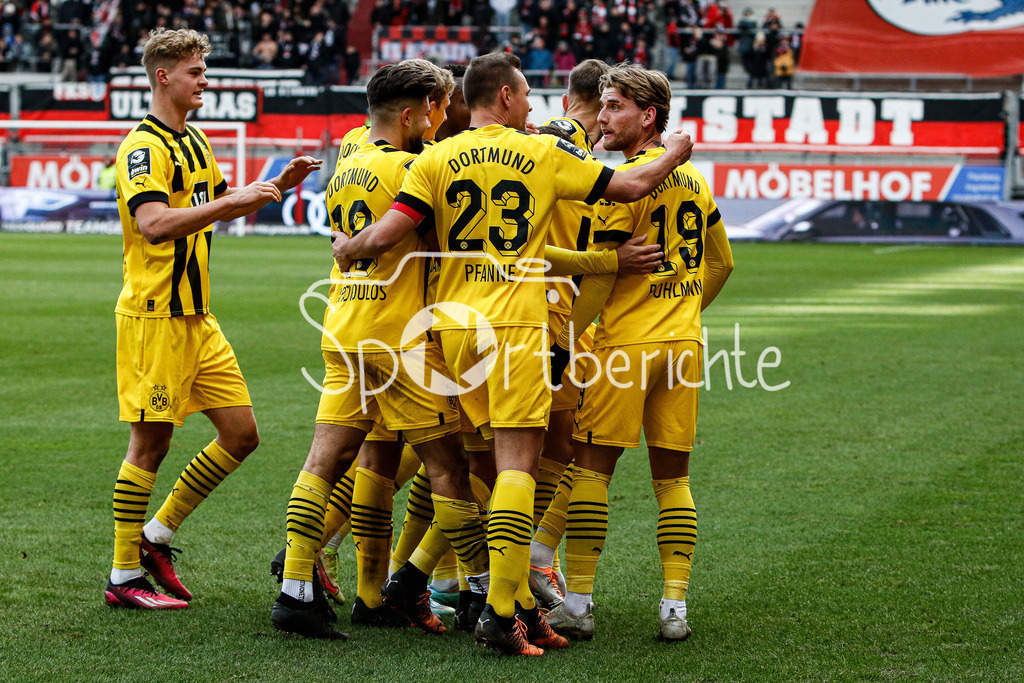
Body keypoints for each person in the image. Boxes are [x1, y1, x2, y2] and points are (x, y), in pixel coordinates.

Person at [331, 51, 694, 655]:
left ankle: (475, 591)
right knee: (518, 466)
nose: (531, 106)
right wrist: (677, 148)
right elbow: (633, 182)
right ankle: (501, 612)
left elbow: (389, 232)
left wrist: (348, 248)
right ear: (504, 96)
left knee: (473, 462)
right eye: (525, 95)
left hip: (449, 327)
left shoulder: (433, 159)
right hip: (518, 321)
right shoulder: (542, 152)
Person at [270, 60, 490, 641]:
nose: (442, 118)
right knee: (450, 468)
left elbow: (347, 235)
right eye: (438, 106)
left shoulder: (349, 156)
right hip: (401, 339)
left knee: (326, 461)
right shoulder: (414, 169)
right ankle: (485, 593)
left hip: (344, 325)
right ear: (414, 108)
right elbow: (453, 241)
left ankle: (295, 590)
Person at [105, 27, 321, 611]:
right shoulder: (143, 148)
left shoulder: (195, 142)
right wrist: (238, 200)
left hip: (198, 318)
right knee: (150, 443)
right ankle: (123, 577)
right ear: (163, 77)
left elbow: (216, 207)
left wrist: (277, 186)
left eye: (204, 70)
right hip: (155, 316)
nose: (205, 80)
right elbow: (154, 224)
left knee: (242, 434)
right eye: (196, 72)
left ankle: (157, 537)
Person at [542, 64, 733, 642]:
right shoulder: (696, 181)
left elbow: (599, 279)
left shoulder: (628, 181)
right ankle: (674, 607)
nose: (601, 118)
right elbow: (722, 263)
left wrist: (565, 341)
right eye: (602, 106)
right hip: (683, 344)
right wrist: (681, 312)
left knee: (591, 468)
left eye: (615, 107)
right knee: (673, 478)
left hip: (624, 346)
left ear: (648, 116)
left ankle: (577, 602)